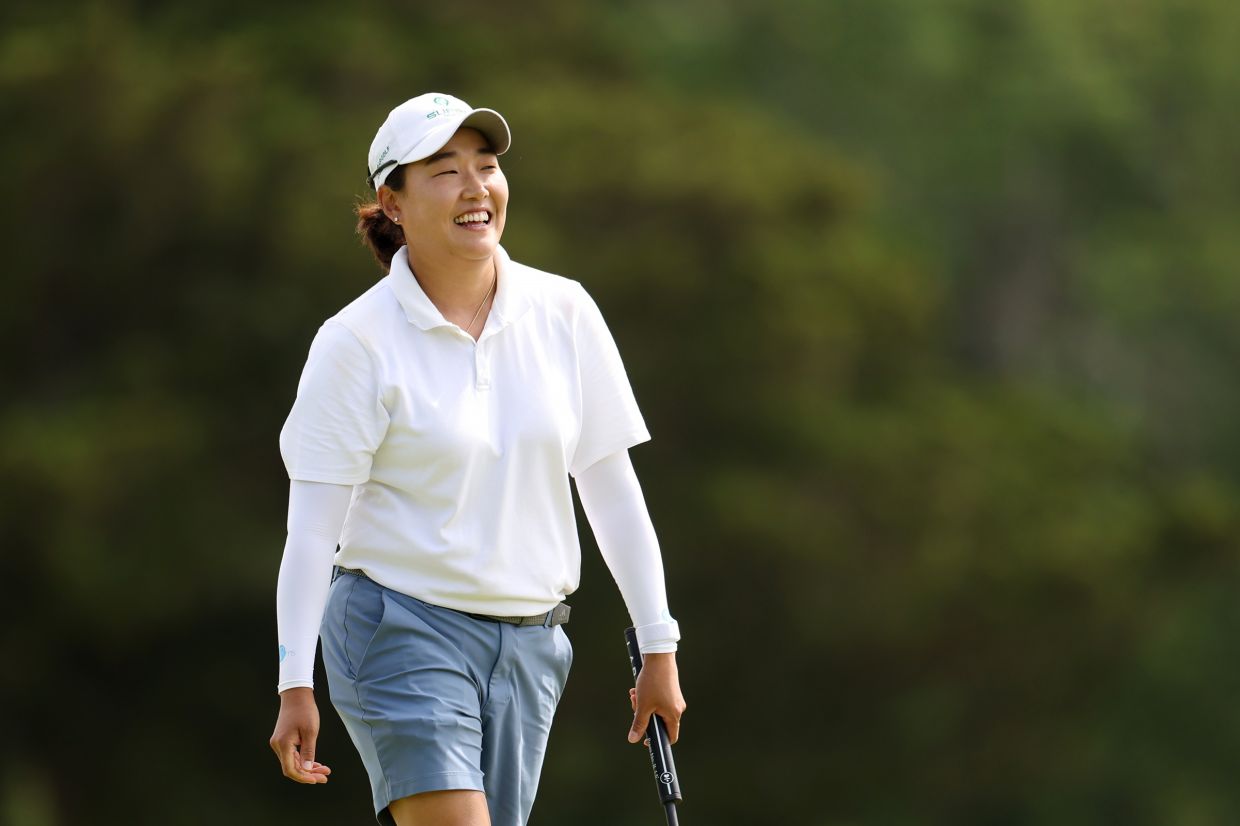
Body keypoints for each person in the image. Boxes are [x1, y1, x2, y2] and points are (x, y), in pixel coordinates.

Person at [267, 92, 686, 826]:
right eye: (444, 170)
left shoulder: (565, 312)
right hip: (398, 626)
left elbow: (611, 490)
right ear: (391, 203)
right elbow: (311, 531)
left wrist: (660, 643)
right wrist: (294, 681)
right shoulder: (355, 342)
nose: (475, 186)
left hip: (532, 644)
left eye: (487, 166)